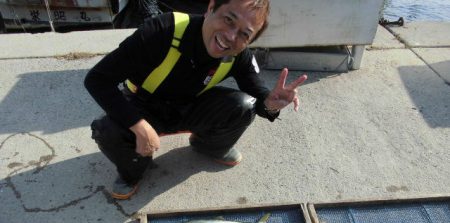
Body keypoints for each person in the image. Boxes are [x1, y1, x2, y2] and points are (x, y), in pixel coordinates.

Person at [85, 0, 307, 200]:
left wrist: (270, 103)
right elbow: (97, 79)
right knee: (107, 129)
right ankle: (133, 170)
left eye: (244, 34)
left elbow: (259, 95)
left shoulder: (240, 55)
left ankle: (210, 146)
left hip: (189, 106)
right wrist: (138, 125)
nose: (231, 37)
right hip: (143, 105)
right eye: (229, 20)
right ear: (211, 8)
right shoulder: (160, 30)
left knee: (244, 105)